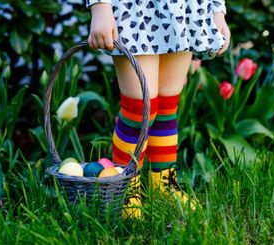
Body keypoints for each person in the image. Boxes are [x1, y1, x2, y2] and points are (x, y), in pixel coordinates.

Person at [86, 0, 230, 219]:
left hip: (185, 8)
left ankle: (162, 183)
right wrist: (100, 6)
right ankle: (124, 187)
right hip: (136, 9)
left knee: (166, 105)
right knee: (140, 108)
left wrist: (217, 10)